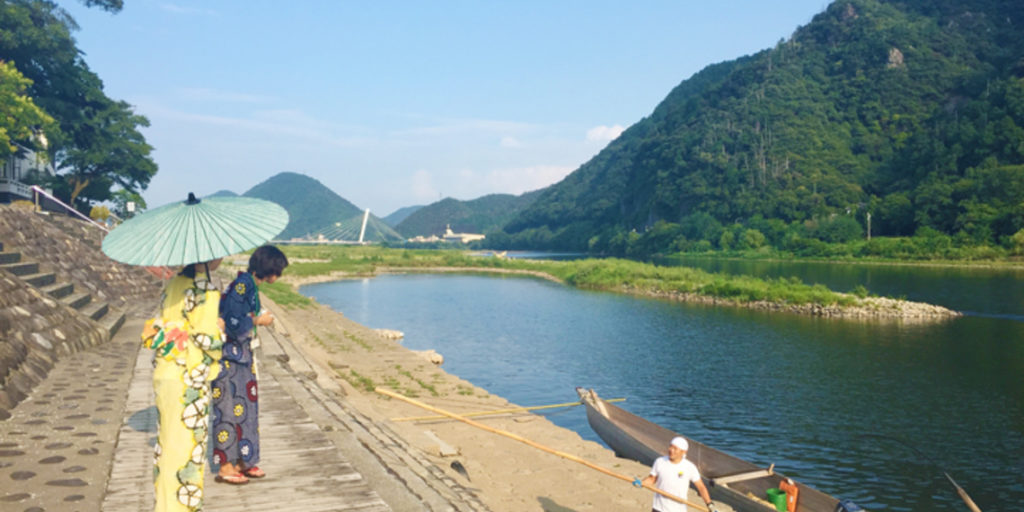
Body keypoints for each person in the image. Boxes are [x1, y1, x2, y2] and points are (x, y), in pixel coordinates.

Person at [142, 260, 225, 511]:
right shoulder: (206, 291)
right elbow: (206, 339)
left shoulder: (172, 285)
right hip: (189, 376)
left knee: (167, 444)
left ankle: (164, 505)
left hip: (165, 371)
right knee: (188, 449)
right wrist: (219, 331)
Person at [210, 245, 289, 484]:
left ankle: (244, 460)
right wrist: (259, 321)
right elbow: (234, 322)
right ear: (270, 270)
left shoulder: (249, 285)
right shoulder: (242, 285)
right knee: (227, 410)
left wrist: (255, 318)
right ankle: (226, 465)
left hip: (243, 358)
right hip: (230, 359)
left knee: (246, 412)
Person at [635, 436, 717, 512]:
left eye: (675, 448)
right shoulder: (660, 461)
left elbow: (701, 487)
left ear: (683, 451)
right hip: (659, 508)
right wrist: (642, 483)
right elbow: (652, 479)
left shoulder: (689, 467)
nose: (671, 450)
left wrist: (709, 504)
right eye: (670, 446)